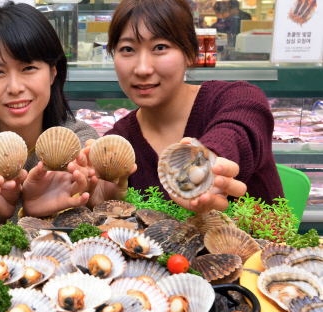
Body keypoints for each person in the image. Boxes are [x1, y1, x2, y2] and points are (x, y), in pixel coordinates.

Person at [86, 0, 283, 213]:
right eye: (127, 49)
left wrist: (208, 162)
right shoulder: (117, 146)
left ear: (190, 53)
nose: (142, 69)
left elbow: (236, 132)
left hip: (263, 246)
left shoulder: (237, 99)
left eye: (160, 47)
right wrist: (100, 206)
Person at [0, 2, 100, 237]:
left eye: (28, 68)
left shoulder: (79, 139)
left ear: (53, 72)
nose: (15, 88)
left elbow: (84, 205)